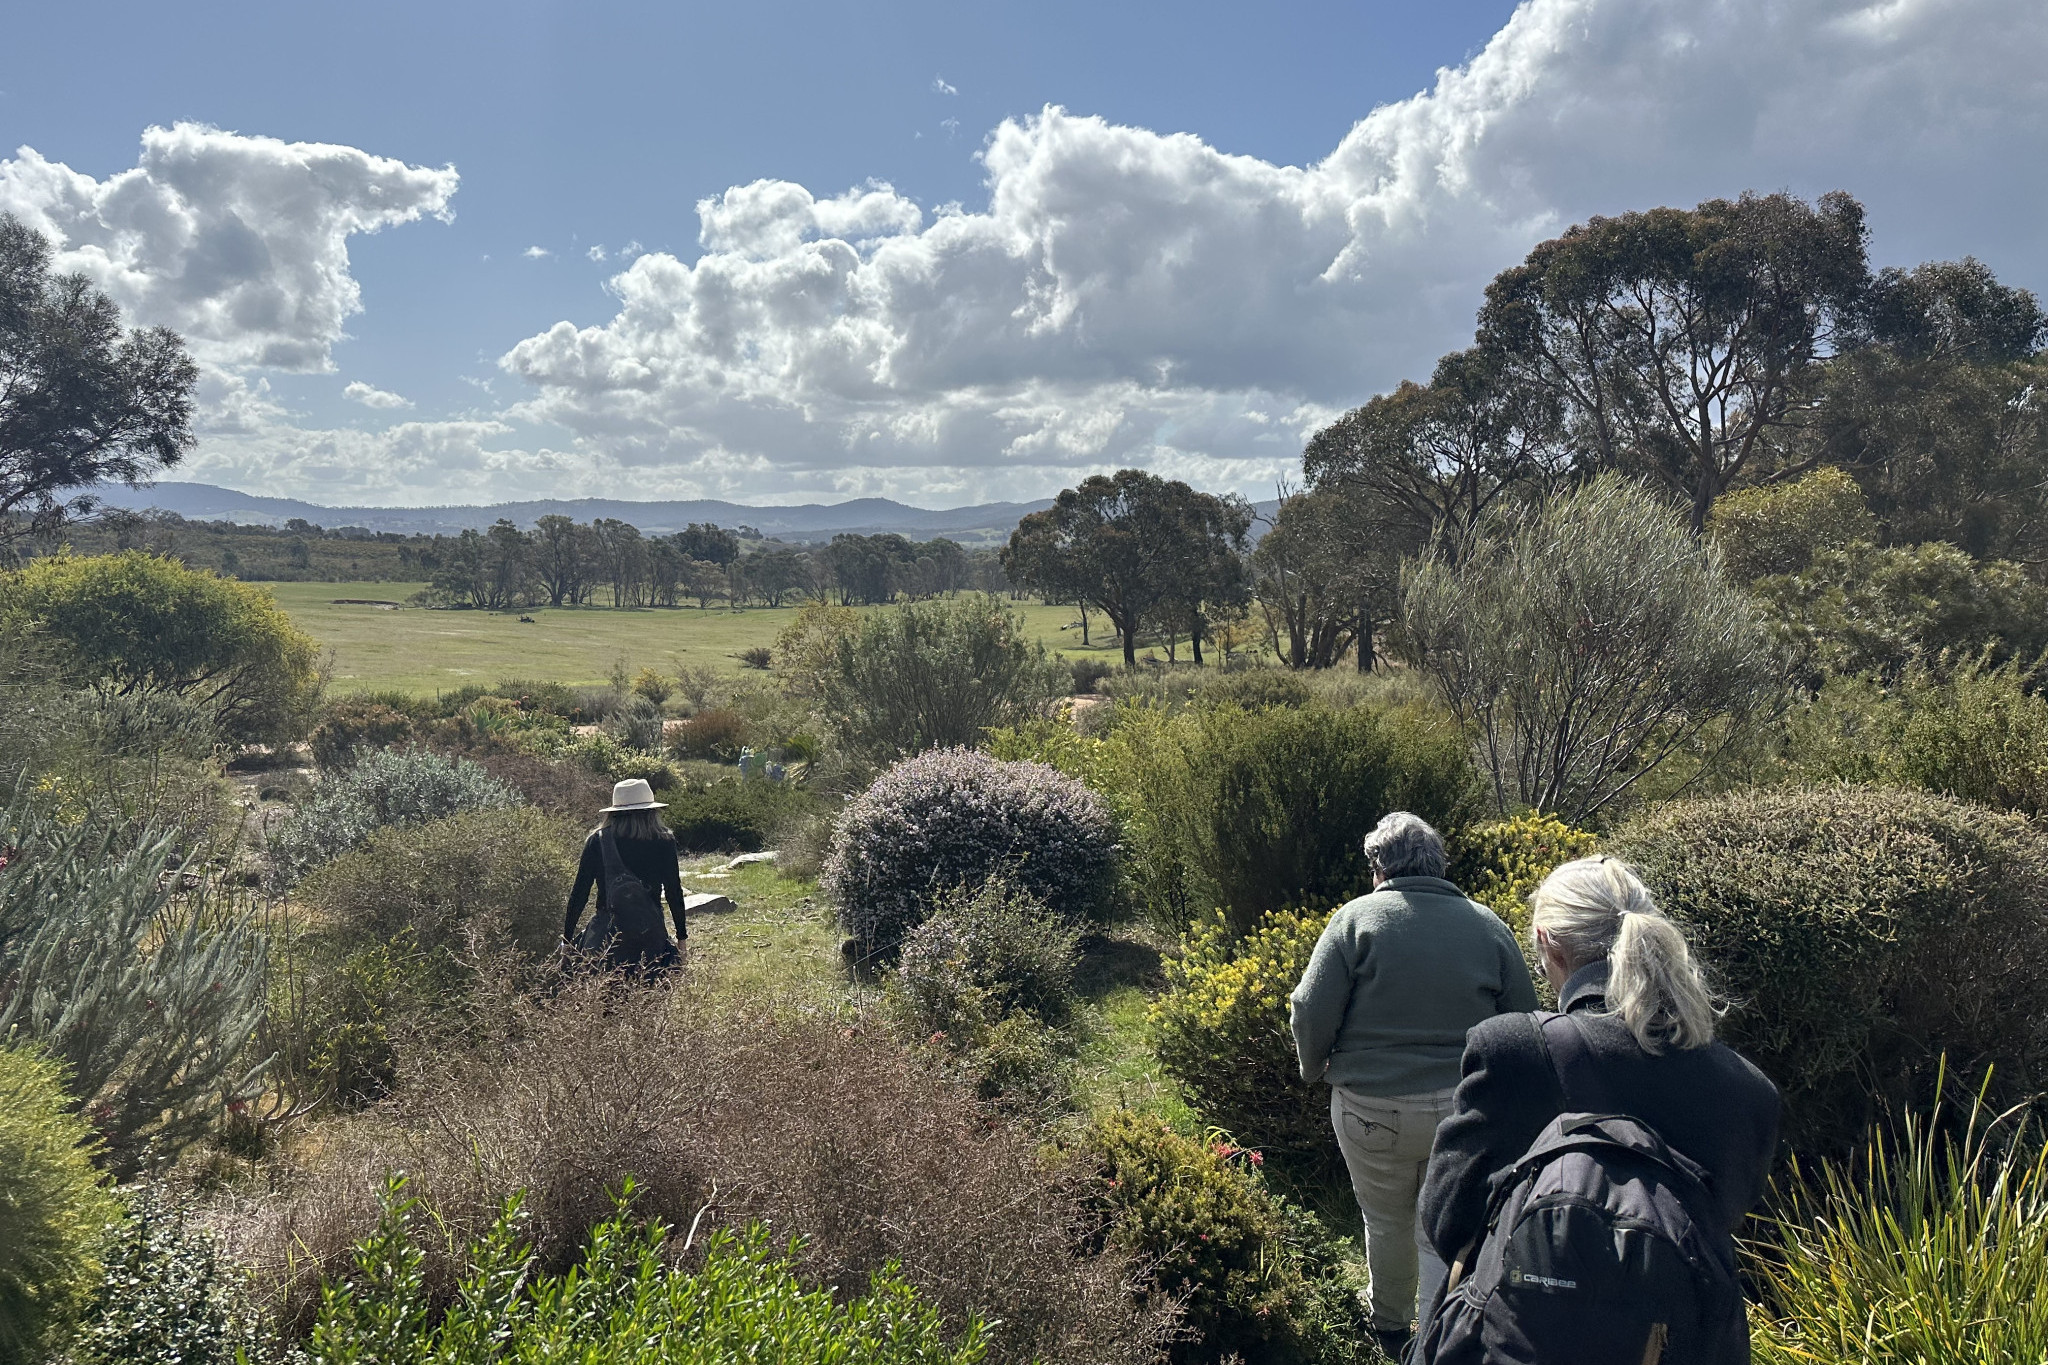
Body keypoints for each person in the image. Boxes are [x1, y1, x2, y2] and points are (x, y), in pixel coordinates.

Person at [1416, 856, 1779, 1360]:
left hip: (1525, 1339)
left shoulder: (1513, 1051)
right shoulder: (1750, 1091)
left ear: (1548, 944)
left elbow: (1447, 1219)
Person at [1290, 812, 1539, 1358]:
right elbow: (1525, 1018)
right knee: (1441, 1226)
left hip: (1370, 1108)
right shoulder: (1486, 924)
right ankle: (1437, 1333)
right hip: (1462, 1109)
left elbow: (1309, 1008)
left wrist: (1315, 1069)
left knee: (1385, 1219)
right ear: (1439, 863)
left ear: (1378, 865)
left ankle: (1390, 1326)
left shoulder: (1356, 919)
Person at [563, 777, 690, 972]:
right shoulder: (663, 840)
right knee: (651, 993)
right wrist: (681, 937)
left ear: (613, 812)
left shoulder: (597, 841)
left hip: (607, 936)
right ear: (652, 810)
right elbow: (674, 891)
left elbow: (579, 892)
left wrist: (567, 938)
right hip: (650, 932)